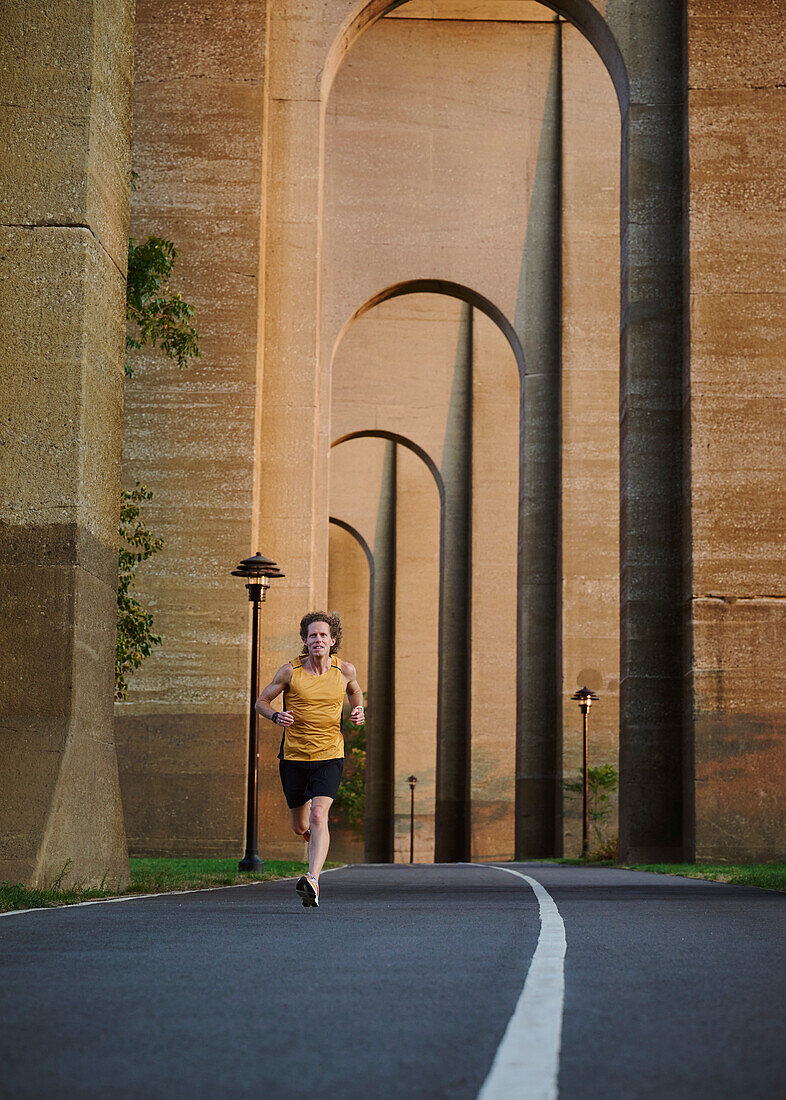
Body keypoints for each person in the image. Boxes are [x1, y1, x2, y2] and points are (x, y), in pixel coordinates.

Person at [255, 611, 364, 908]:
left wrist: (358, 710)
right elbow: (261, 702)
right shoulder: (290, 672)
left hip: (330, 755)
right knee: (300, 825)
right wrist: (276, 715)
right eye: (312, 635)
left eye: (323, 635)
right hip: (294, 757)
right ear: (305, 640)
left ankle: (312, 879)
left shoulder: (345, 671)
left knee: (319, 815)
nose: (318, 640)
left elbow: (355, 692)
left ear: (333, 640)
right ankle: (311, 838)